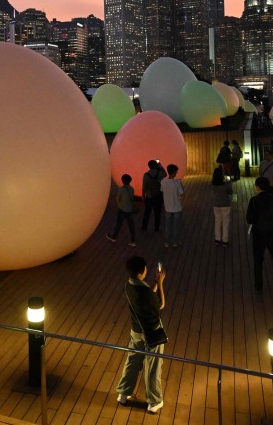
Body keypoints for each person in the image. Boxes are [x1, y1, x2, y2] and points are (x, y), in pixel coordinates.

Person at [115, 255, 166, 414]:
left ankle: (123, 393)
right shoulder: (145, 292)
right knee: (153, 366)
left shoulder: (129, 285)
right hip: (152, 333)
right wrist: (160, 283)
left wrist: (154, 285)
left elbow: (147, 295)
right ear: (142, 271)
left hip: (136, 331)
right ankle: (153, 401)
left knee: (133, 361)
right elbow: (160, 304)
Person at [246, 176, 273, 294]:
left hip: (259, 234)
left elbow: (249, 219)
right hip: (272, 233)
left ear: (257, 187)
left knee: (258, 261)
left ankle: (258, 286)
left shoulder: (254, 201)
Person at [106, 174, 137, 246]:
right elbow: (132, 199)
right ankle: (132, 241)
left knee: (118, 224)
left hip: (122, 209)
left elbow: (118, 199)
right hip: (130, 210)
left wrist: (119, 205)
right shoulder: (132, 189)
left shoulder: (121, 189)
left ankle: (114, 237)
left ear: (122, 181)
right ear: (130, 181)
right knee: (131, 225)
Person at [160, 164, 184, 248]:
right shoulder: (177, 183)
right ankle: (175, 242)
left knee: (167, 225)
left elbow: (162, 190)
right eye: (176, 172)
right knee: (176, 226)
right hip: (177, 207)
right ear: (174, 172)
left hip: (167, 207)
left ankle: (167, 242)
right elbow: (182, 193)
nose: (177, 173)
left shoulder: (163, 181)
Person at [140, 160, 166, 232]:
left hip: (149, 196)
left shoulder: (146, 175)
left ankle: (144, 226)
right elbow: (165, 175)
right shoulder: (160, 173)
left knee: (147, 212)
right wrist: (160, 166)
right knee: (157, 213)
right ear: (156, 165)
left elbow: (144, 186)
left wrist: (143, 195)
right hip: (158, 195)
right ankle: (156, 228)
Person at [212, 172, 232, 247]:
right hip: (225, 205)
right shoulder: (225, 185)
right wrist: (229, 182)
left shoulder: (213, 185)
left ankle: (217, 239)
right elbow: (230, 192)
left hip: (216, 205)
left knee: (217, 222)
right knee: (225, 223)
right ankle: (225, 240)